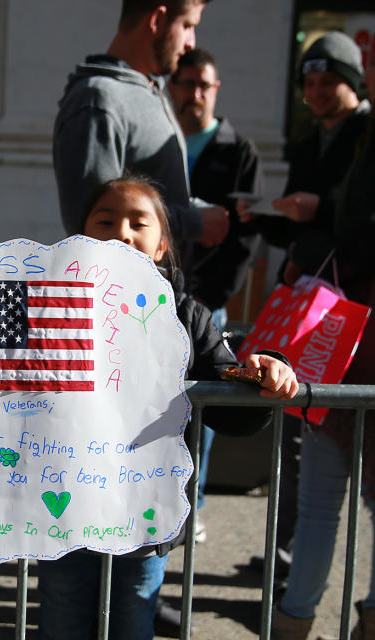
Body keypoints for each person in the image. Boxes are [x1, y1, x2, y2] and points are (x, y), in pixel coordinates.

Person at [36, 175, 299, 640]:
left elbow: (226, 398)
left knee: (132, 616)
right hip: (65, 510)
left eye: (139, 223)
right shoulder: (47, 307)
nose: (121, 231)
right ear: (79, 235)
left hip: (146, 513)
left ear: (161, 246)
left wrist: (265, 372)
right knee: (63, 614)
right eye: (106, 219)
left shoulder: (187, 316)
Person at [240, 30, 371, 585]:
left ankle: (295, 582)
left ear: (355, 82)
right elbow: (307, 219)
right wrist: (264, 218)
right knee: (300, 432)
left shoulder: (365, 133)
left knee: (331, 460)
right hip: (315, 306)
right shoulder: (312, 139)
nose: (316, 92)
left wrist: (321, 210)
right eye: (309, 82)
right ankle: (288, 567)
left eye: (329, 81)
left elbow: (352, 225)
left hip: (353, 321)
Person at [270, 55, 375, 640]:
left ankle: (297, 622)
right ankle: (296, 620)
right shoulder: (347, 139)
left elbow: (355, 238)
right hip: (339, 346)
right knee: (318, 504)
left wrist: (318, 234)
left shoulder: (361, 138)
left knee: (322, 505)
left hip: (352, 345)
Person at [168, 47, 264, 539]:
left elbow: (246, 237)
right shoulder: (160, 142)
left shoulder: (237, 151)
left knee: (203, 407)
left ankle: (193, 502)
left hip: (207, 304)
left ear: (216, 90)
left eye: (204, 85)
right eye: (187, 84)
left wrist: (212, 295)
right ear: (173, 87)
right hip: (155, 302)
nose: (195, 94)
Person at [52, 0, 230, 258]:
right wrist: (194, 223)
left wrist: (199, 211)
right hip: (122, 296)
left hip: (159, 294)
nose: (191, 42)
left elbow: (161, 196)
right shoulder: (96, 100)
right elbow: (93, 226)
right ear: (157, 19)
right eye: (188, 26)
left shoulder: (148, 89)